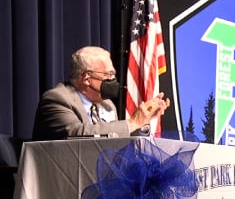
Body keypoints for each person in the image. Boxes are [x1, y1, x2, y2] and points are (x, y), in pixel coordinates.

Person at [32, 46, 169, 141]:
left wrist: (142, 123)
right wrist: (132, 122)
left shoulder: (107, 105)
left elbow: (116, 141)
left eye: (113, 74)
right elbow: (78, 135)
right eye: (108, 74)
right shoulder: (57, 99)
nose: (113, 80)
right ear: (86, 78)